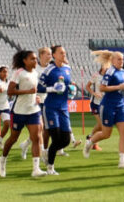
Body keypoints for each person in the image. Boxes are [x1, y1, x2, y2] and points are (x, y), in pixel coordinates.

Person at [0, 50, 45, 178]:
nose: (35, 61)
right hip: (19, 111)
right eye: (32, 59)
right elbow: (10, 91)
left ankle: (36, 169)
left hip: (33, 110)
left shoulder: (36, 73)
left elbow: (34, 91)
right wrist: (28, 92)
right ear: (25, 61)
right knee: (13, 138)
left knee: (36, 138)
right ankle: (2, 160)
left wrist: (36, 97)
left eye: (36, 59)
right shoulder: (19, 73)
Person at [83, 51, 124, 169]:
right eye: (119, 59)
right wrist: (118, 87)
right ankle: (89, 142)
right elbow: (102, 88)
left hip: (120, 105)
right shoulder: (110, 72)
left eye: (123, 59)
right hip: (108, 106)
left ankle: (122, 160)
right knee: (106, 134)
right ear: (113, 60)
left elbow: (123, 86)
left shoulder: (122, 71)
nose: (122, 61)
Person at [38, 45, 73, 175]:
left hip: (63, 107)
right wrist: (52, 89)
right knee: (56, 138)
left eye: (64, 52)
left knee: (66, 140)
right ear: (54, 55)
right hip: (51, 107)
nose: (64, 55)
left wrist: (71, 91)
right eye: (61, 53)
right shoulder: (48, 70)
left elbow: (68, 85)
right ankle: (50, 167)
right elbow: (39, 88)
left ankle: (47, 153)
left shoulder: (68, 69)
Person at [21, 47, 53, 160]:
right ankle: (43, 153)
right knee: (41, 128)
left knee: (44, 129)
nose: (50, 56)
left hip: (49, 100)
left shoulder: (51, 68)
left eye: (51, 54)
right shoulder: (35, 69)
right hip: (37, 101)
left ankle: (25, 145)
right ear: (41, 55)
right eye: (48, 54)